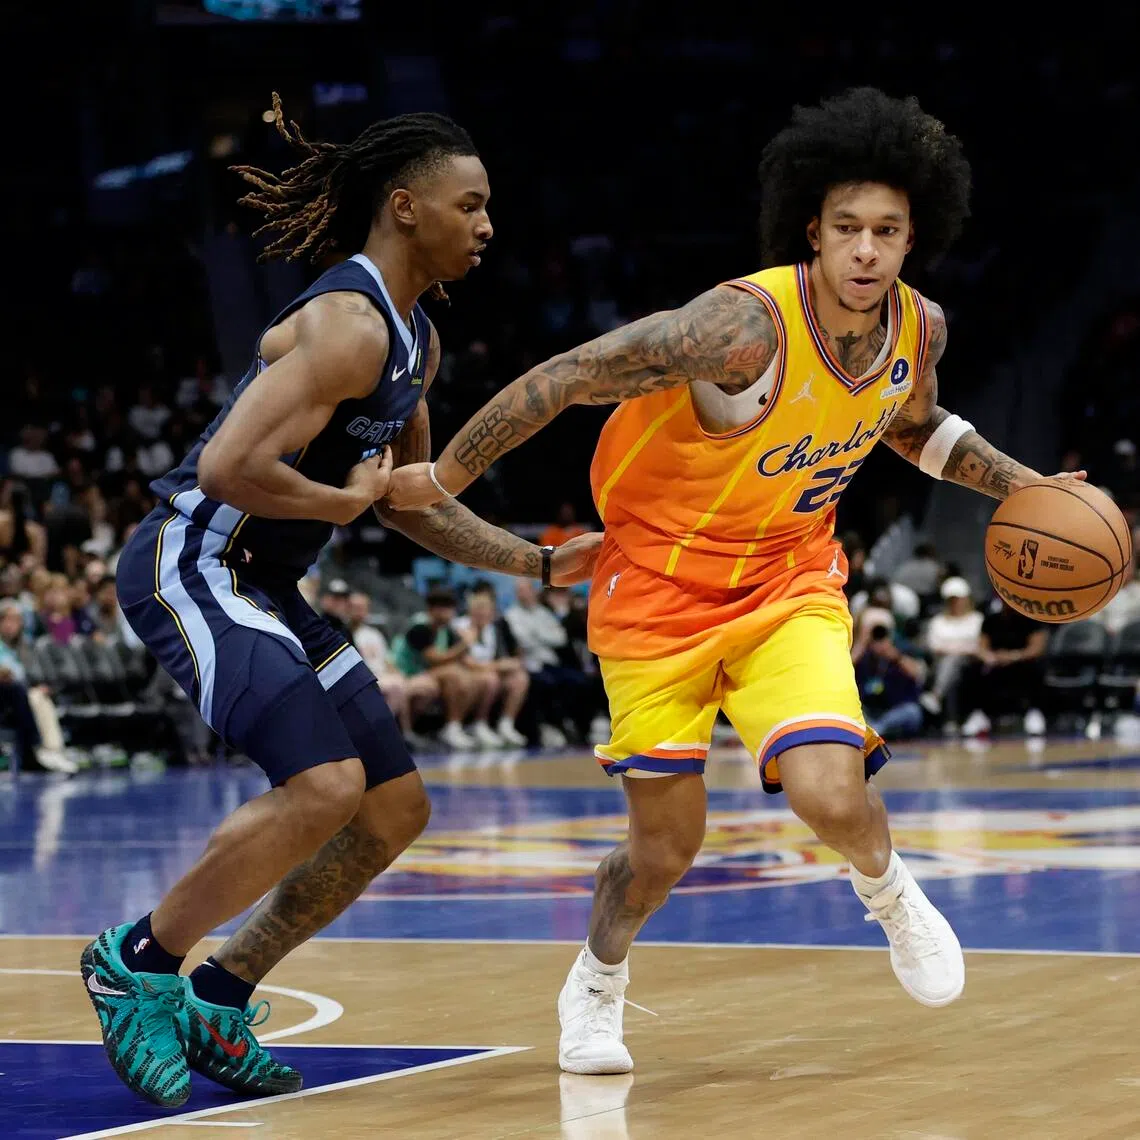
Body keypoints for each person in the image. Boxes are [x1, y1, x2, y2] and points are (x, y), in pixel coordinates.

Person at [387, 86, 1086, 1074]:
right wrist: (446, 475)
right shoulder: (739, 328)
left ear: (912, 238)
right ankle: (597, 979)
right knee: (663, 851)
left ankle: (889, 894)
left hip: (785, 583)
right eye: (846, 227)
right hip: (655, 593)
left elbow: (915, 426)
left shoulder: (918, 330)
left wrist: (1031, 488)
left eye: (887, 231)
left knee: (831, 793)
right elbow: (571, 373)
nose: (865, 250)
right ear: (814, 229)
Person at [80, 92, 600, 1108]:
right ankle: (137, 962)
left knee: (393, 807)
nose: (489, 225)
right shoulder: (346, 324)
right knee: (322, 785)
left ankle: (220, 996)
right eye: (471, 205)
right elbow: (231, 466)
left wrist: (537, 565)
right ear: (406, 208)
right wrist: (339, 498)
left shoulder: (417, 343)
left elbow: (412, 505)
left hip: (265, 582)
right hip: (192, 562)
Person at [453, 580, 530, 747]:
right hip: (464, 672)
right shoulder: (460, 626)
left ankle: (506, 724)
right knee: (490, 679)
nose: (482, 614)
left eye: (486, 610)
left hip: (485, 671)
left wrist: (508, 664)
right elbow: (467, 662)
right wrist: (499, 665)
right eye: (478, 610)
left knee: (519, 678)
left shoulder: (491, 629)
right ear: (470, 611)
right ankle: (476, 724)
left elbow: (498, 659)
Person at [959, 600, 1048, 737]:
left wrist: (1014, 656)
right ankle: (979, 715)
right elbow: (981, 647)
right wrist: (990, 657)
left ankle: (1034, 713)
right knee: (971, 668)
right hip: (996, 663)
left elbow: (1036, 649)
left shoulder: (1032, 619)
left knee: (1037, 667)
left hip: (1021, 662)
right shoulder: (991, 620)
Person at [852, 607, 926, 740]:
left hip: (894, 710)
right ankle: (876, 731)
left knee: (912, 712)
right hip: (868, 710)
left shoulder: (901, 649)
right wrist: (862, 642)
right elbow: (845, 669)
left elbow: (917, 674)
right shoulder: (860, 653)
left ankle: (876, 730)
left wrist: (894, 655)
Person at [920, 576, 984, 728]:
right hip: (940, 663)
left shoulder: (977, 619)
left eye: (959, 599)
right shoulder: (938, 621)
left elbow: (979, 646)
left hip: (972, 663)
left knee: (953, 660)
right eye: (952, 599)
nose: (956, 603)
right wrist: (962, 647)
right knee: (951, 661)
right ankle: (949, 718)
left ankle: (936, 696)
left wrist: (953, 648)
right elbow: (934, 646)